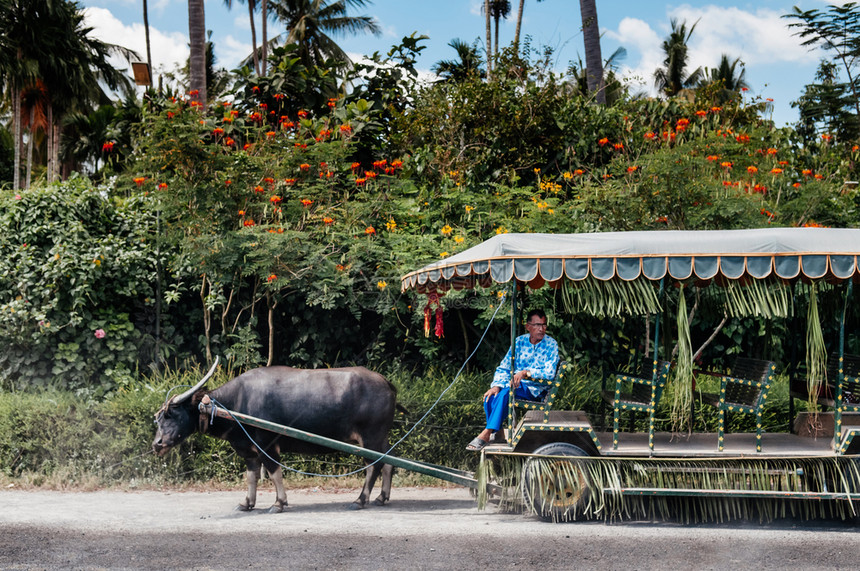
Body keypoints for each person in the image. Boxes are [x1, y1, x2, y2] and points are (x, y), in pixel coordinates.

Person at [466, 309, 559, 451]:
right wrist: (496, 385)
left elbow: (549, 373)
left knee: (506, 394)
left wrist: (526, 373)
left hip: (535, 389)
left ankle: (486, 433)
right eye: (537, 325)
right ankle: (496, 432)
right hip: (515, 385)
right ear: (528, 326)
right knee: (491, 396)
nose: (541, 329)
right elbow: (504, 367)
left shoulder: (551, 344)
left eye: (544, 325)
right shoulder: (519, 342)